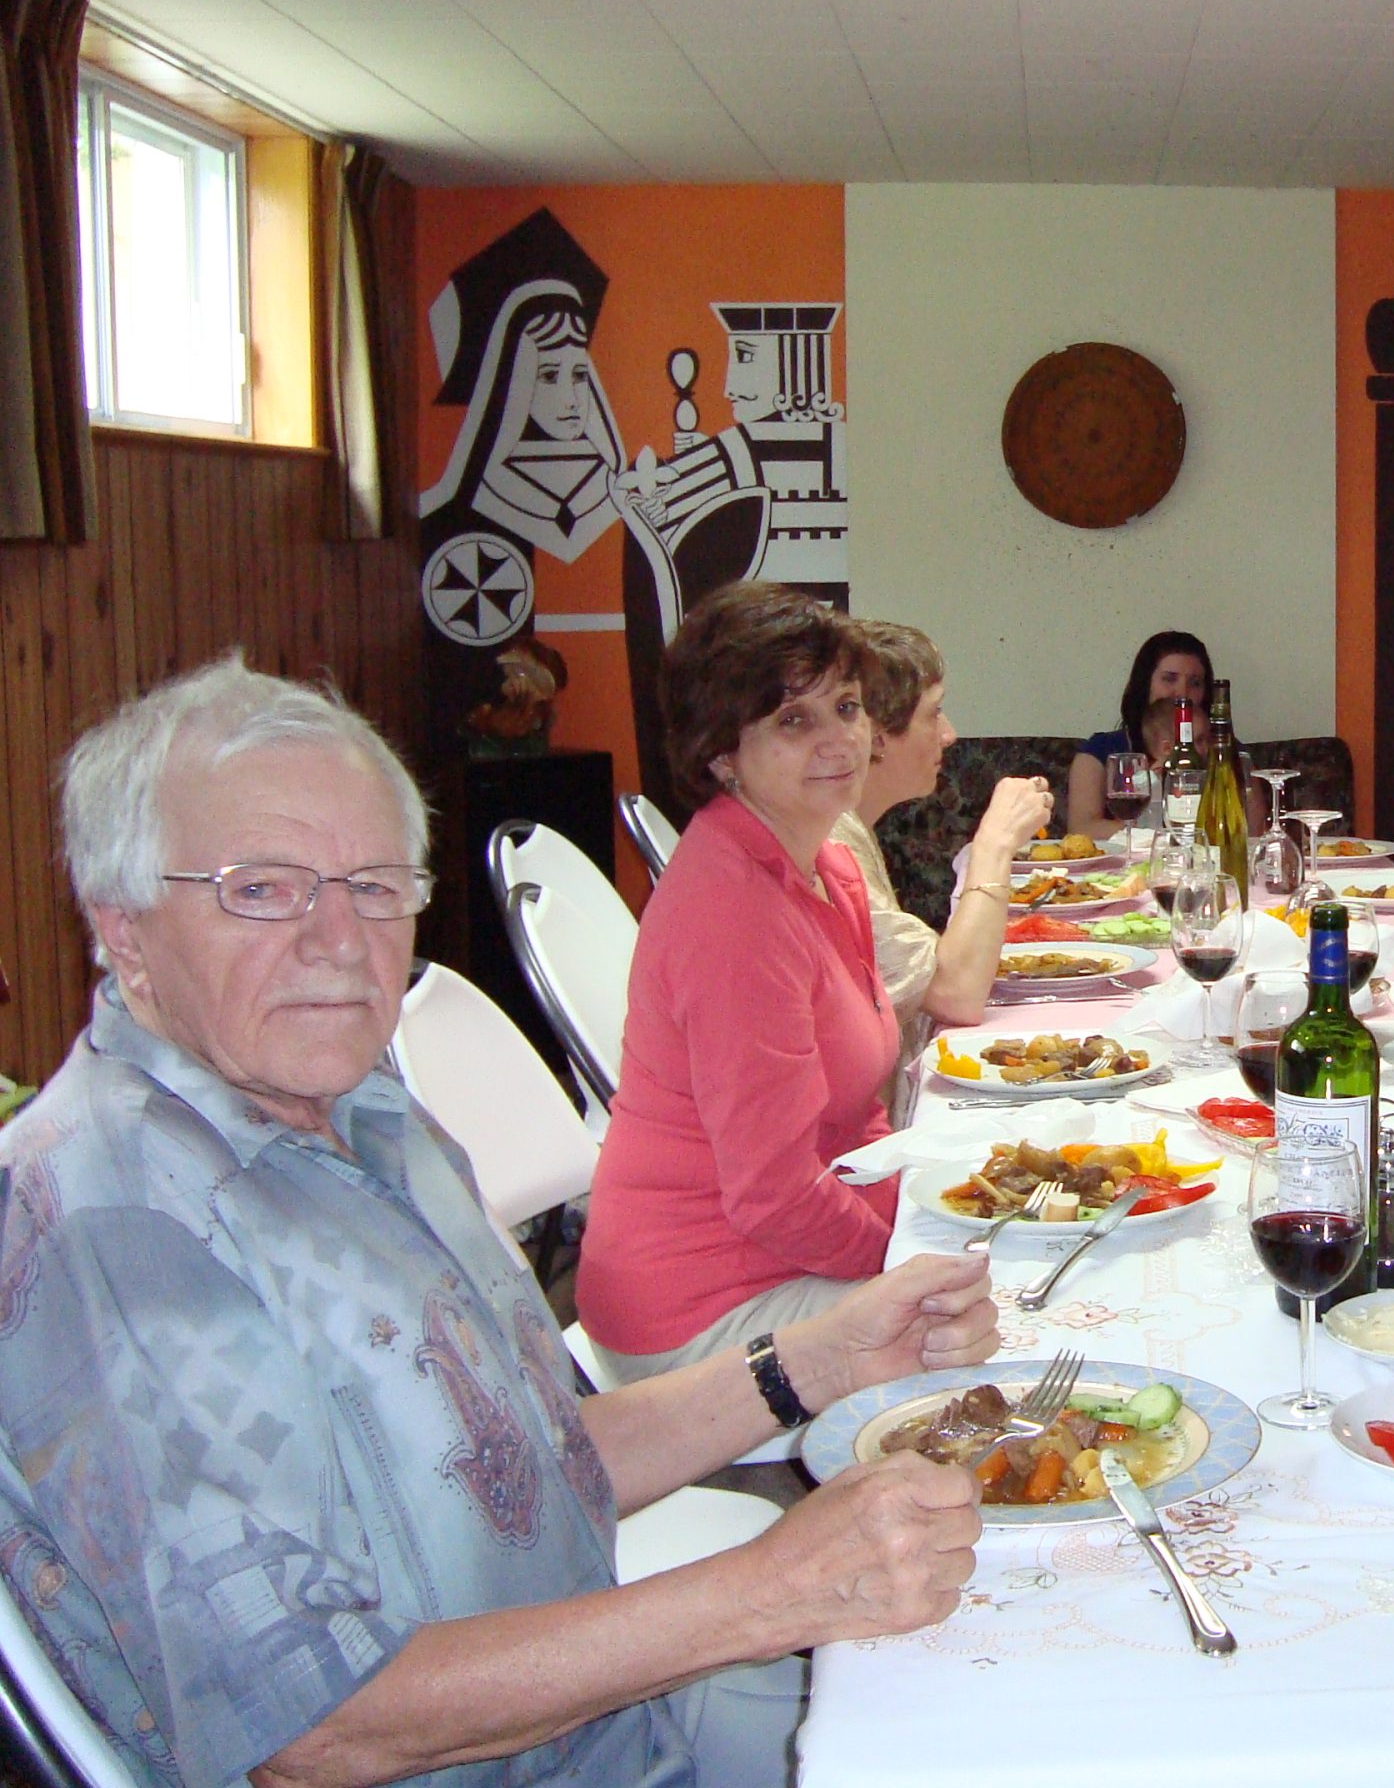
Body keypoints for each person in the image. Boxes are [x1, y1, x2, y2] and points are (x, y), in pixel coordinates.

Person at [0, 654, 996, 1788]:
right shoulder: (118, 1225)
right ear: (124, 929)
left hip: (608, 1714)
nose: (341, 942)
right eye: (262, 890)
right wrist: (772, 1591)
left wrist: (822, 1358)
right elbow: (313, 1730)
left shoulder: (363, 1111)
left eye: (377, 884)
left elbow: (530, 1463)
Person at [578, 583, 905, 1384]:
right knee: (1007, 1327)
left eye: (848, 707)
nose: (839, 741)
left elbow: (855, 1118)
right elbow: (773, 1195)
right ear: (721, 753)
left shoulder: (828, 866)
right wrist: (901, 1258)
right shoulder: (734, 909)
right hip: (701, 1312)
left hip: (781, 1257)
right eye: (793, 720)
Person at [834, 618, 1053, 1120]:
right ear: (877, 737)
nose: (950, 735)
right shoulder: (830, 843)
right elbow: (957, 993)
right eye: (933, 714)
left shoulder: (852, 829)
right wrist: (995, 843)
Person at [1064, 630, 1212, 839]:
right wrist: (1160, 838)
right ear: (1145, 684)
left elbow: (1249, 831)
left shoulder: (1224, 752)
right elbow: (1082, 829)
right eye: (1169, 679)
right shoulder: (1100, 751)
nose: (1182, 693)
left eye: (1195, 683)